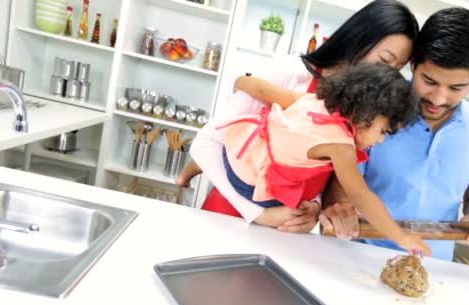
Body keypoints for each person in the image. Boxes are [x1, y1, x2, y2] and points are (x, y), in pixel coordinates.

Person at [179, 0, 419, 232]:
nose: (386, 75)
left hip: (281, 235)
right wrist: (260, 215)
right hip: (229, 217)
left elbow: (312, 174)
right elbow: (205, 144)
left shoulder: (362, 115)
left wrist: (312, 209)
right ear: (358, 39)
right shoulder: (291, 74)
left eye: (396, 69)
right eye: (384, 61)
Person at [321, 7, 469, 260]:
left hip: (434, 266)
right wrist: (339, 207)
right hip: (358, 256)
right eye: (429, 81)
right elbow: (342, 181)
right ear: (412, 64)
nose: (438, 98)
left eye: (456, 87)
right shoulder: (374, 111)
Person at [197, 63, 431, 255]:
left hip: (237, 156)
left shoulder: (311, 101)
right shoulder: (341, 146)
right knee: (297, 217)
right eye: (383, 132)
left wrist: (239, 81)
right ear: (367, 115)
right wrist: (400, 236)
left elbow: (259, 88)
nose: (380, 141)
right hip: (251, 186)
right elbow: (361, 196)